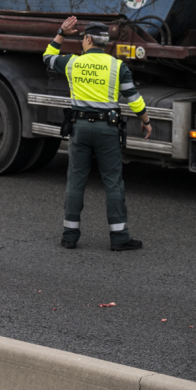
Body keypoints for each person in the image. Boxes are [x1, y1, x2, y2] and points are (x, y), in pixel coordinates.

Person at [43, 17, 151, 251]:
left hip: (79, 129)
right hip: (107, 130)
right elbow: (133, 99)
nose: (82, 42)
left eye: (83, 39)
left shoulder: (72, 63)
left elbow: (48, 57)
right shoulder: (117, 66)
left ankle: (70, 235)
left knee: (76, 180)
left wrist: (62, 32)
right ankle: (119, 237)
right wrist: (145, 121)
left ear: (89, 39)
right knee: (112, 182)